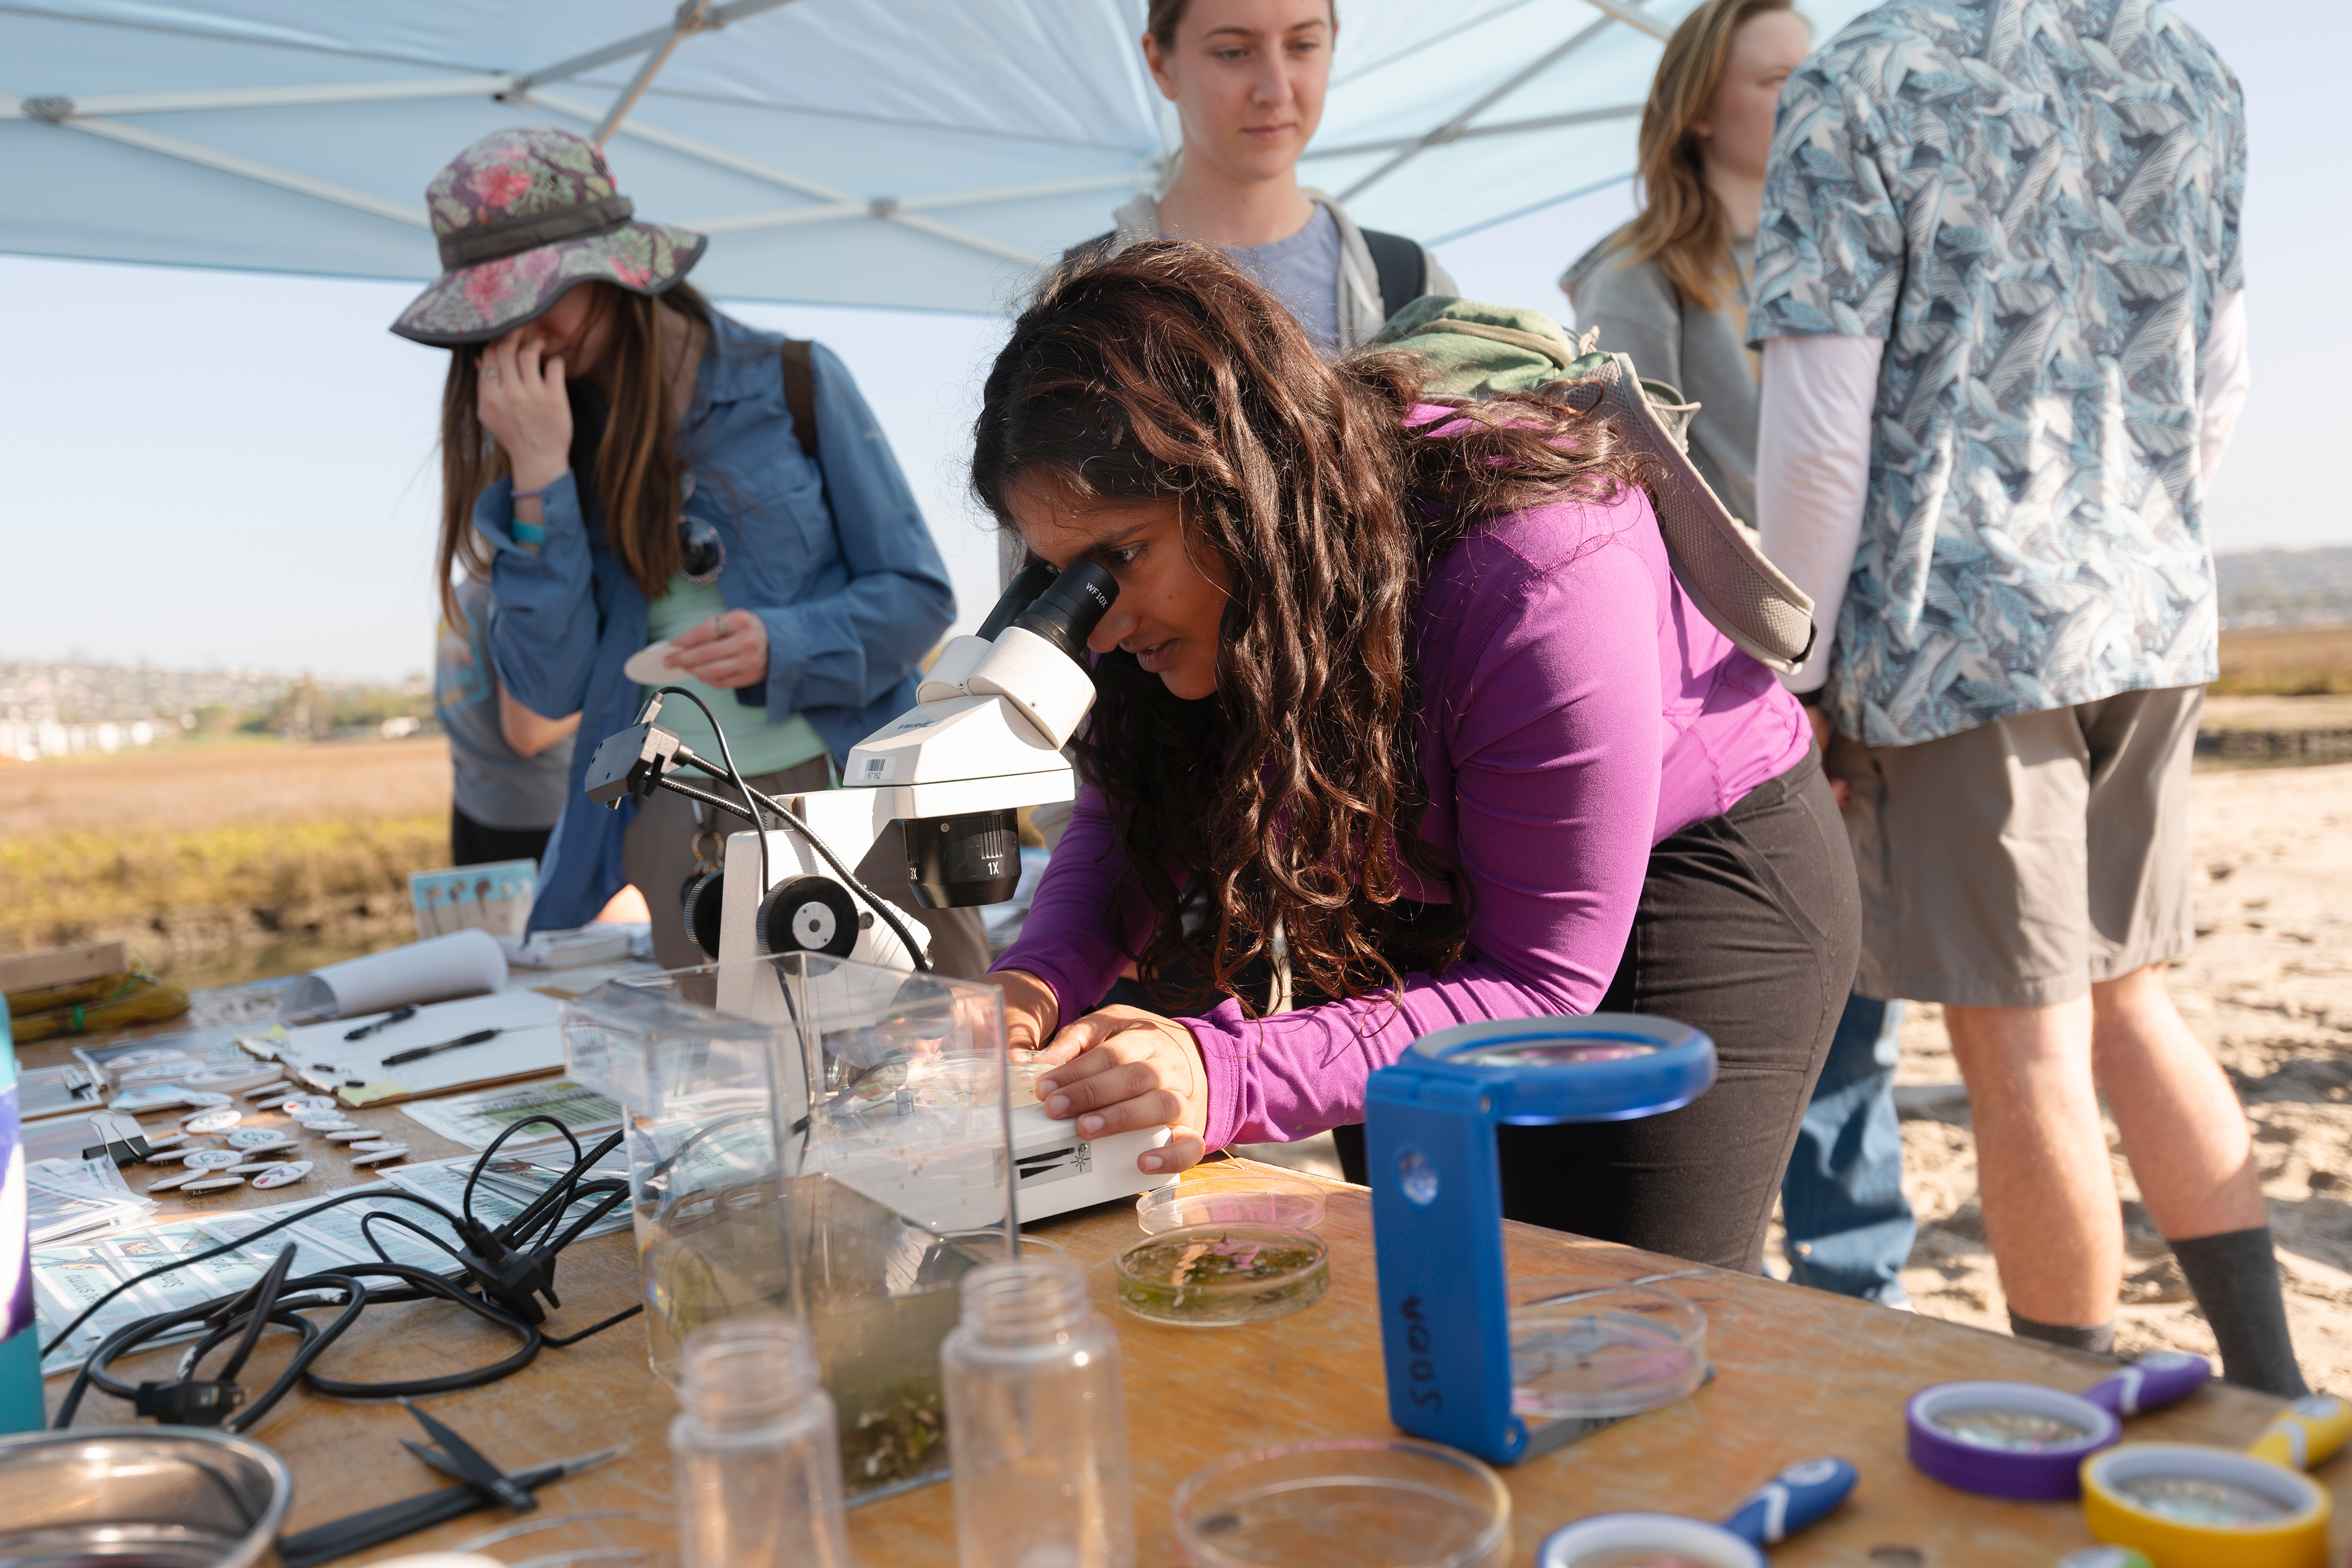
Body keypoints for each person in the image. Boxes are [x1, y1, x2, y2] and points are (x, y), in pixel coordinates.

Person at [983, 242, 1859, 1273]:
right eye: (1063, 574)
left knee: (1615, 1299)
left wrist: (1220, 1073)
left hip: (1688, 874)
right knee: (1425, 1280)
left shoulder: (1539, 568)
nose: (1097, 622)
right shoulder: (1187, 594)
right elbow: (1135, 808)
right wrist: (1030, 986)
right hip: (1420, 869)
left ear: (1240, 490)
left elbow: (1541, 984)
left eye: (1123, 556)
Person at [1749, 4, 2300, 1391]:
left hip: (1958, 629)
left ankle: (2068, 1410)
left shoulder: (1862, 79)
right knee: (2133, 1006)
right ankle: (2276, 1389)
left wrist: (1792, 673)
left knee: (2023, 1049)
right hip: (2145, 606)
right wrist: (2116, 537)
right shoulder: (2186, 65)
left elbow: (1818, 443)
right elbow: (2219, 381)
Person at [393, 126, 988, 976]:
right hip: (680, 820)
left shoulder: (793, 380)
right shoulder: (544, 446)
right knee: (732, 1060)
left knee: (937, 1038)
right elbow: (547, 689)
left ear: (613, 268)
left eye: (540, 296)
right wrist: (539, 476)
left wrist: (786, 642)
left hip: (858, 794)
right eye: (498, 315)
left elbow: (919, 597)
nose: (526, 331)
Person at [1564, 0, 1916, 1307]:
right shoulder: (1634, 281)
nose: (1810, 101)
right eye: (1775, 81)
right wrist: (1778, 678)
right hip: (1735, 695)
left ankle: (1859, 1292)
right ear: (1701, 106)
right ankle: (1756, 1290)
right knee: (1768, 1009)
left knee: (1861, 999)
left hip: (1874, 671)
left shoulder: (1866, 248)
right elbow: (1628, 500)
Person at [1088, 0, 1455, 359]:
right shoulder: (1080, 299)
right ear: (1161, 66)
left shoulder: (1415, 288)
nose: (1277, 92)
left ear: (1333, 42)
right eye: (1233, 52)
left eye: (1303, 46)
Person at [433, 573, 578, 869]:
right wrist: (613, 687)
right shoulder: (521, 590)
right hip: (538, 819)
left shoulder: (463, 594)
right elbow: (529, 733)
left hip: (473, 808)